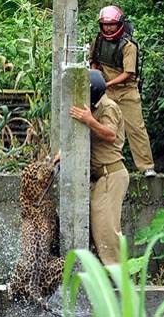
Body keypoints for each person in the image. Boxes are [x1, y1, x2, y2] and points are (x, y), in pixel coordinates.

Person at [55, 70, 129, 264]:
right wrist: (65, 155)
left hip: (110, 176)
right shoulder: (91, 108)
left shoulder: (108, 107)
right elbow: (83, 138)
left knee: (106, 230)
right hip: (98, 178)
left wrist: (89, 120)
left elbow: (110, 135)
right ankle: (102, 275)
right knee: (94, 230)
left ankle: (119, 279)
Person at [90, 5, 156, 178]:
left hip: (127, 91)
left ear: (119, 24)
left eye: (112, 24)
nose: (108, 27)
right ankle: (109, 166)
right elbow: (94, 61)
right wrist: (96, 77)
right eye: (105, 24)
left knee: (136, 128)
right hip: (106, 90)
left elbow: (128, 73)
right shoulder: (98, 40)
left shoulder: (128, 45)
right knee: (108, 129)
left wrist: (107, 83)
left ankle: (146, 166)